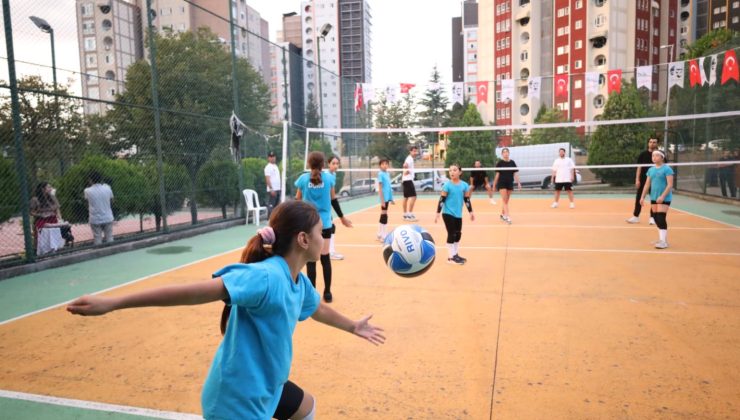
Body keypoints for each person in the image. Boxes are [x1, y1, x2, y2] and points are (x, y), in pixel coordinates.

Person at [67, 200, 385, 420]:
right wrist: (113, 303)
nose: (324, 237)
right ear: (303, 239)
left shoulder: (296, 282)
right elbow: (189, 293)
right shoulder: (265, 276)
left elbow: (317, 310)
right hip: (237, 400)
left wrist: (353, 326)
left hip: (267, 387)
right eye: (320, 232)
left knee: (306, 408)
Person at [295, 151, 352, 303]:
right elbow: (334, 200)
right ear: (323, 165)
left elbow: (297, 202)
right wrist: (342, 217)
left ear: (309, 164)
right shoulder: (329, 179)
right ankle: (327, 292)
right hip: (325, 224)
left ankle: (312, 294)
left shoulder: (302, 179)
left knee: (311, 261)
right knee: (325, 258)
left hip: (308, 225)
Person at [434, 163, 475, 265]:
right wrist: (438, 213)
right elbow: (442, 199)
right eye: (450, 170)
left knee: (458, 234)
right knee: (451, 233)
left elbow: (467, 199)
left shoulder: (464, 185)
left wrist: (471, 212)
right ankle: (450, 257)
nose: (452, 172)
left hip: (458, 214)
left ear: (460, 172)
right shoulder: (447, 185)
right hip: (447, 213)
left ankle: (455, 254)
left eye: (455, 170)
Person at [640, 150, 674, 249]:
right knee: (655, 217)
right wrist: (642, 197)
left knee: (660, 217)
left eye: (656, 155)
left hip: (664, 197)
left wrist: (662, 196)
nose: (654, 157)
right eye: (653, 155)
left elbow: (670, 185)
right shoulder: (651, 170)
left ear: (662, 157)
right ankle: (662, 239)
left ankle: (663, 241)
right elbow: (647, 184)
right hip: (654, 197)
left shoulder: (667, 169)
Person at [627, 136, 659, 224]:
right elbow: (639, 168)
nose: (652, 143)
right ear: (648, 143)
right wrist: (637, 179)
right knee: (639, 198)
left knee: (654, 199)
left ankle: (652, 217)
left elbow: (663, 167)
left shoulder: (660, 155)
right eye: (651, 142)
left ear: (657, 144)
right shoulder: (643, 154)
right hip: (643, 180)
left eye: (654, 142)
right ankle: (636, 216)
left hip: (655, 181)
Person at [30, 181, 73, 246]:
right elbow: (31, 212)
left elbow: (57, 210)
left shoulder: (52, 197)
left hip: (53, 219)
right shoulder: (35, 199)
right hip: (41, 221)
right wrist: (41, 215)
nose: (51, 189)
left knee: (64, 226)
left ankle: (64, 240)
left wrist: (60, 219)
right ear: (42, 189)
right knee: (60, 226)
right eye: (48, 187)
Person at [84, 171, 114, 245]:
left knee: (97, 237)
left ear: (91, 180)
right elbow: (112, 200)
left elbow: (86, 202)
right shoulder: (107, 188)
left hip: (95, 218)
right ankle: (111, 251)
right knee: (109, 237)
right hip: (107, 217)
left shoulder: (87, 191)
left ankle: (98, 252)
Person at [492, 148, 521, 224]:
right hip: (502, 183)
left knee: (506, 201)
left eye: (507, 152)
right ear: (502, 154)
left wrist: (518, 183)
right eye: (504, 152)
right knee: (504, 200)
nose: (505, 153)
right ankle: (507, 216)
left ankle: (502, 214)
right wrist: (494, 185)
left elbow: (515, 174)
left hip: (510, 183)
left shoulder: (512, 162)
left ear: (509, 153)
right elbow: (497, 175)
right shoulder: (500, 163)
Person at [326, 155, 344, 260]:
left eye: (337, 164)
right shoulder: (327, 175)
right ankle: (330, 252)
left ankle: (330, 251)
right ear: (328, 164)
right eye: (333, 163)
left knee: (330, 227)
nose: (335, 166)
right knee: (330, 227)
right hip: (324, 205)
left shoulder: (333, 175)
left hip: (328, 205)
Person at [376, 158, 394, 241]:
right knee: (384, 214)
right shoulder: (380, 174)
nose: (385, 165)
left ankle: (380, 233)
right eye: (383, 164)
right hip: (383, 197)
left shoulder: (387, 174)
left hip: (387, 197)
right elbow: (380, 188)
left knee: (384, 214)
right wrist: (382, 200)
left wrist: (391, 198)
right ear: (380, 165)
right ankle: (383, 235)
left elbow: (389, 187)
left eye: (386, 164)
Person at [402, 145, 419, 221]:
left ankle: (405, 215)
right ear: (410, 151)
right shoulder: (410, 159)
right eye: (414, 151)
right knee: (414, 196)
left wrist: (407, 170)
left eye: (416, 151)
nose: (415, 152)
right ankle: (409, 214)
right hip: (407, 180)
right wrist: (407, 170)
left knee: (406, 198)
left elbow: (405, 165)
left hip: (406, 180)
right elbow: (405, 165)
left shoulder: (409, 158)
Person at [264, 151, 282, 218]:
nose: (272, 158)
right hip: (272, 190)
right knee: (271, 205)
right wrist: (271, 189)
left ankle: (275, 220)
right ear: (268, 158)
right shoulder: (268, 167)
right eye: (271, 157)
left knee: (277, 206)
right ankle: (270, 220)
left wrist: (280, 188)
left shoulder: (276, 166)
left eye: (273, 156)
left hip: (278, 189)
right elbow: (267, 179)